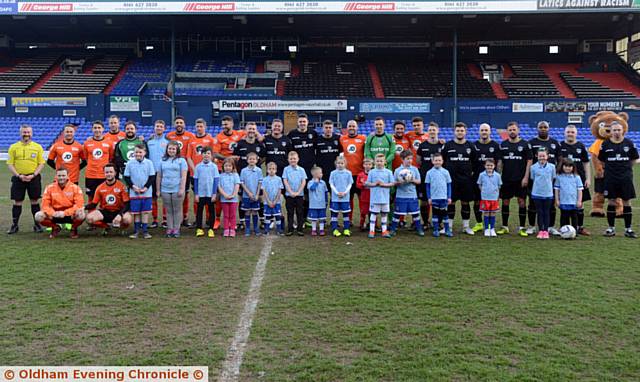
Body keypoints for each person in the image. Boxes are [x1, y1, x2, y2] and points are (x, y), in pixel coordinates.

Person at [598, 121, 639, 238]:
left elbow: (635, 159)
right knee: (611, 201)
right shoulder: (605, 144)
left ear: (623, 131)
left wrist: (625, 167)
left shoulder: (629, 143)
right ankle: (611, 228)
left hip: (625, 177)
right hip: (611, 178)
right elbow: (602, 160)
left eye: (618, 130)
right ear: (610, 132)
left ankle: (628, 229)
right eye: (614, 130)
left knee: (627, 201)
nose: (616, 132)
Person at [7, 124, 45, 234]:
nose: (26, 134)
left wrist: (33, 175)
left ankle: (37, 225)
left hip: (33, 178)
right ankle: (15, 225)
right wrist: (19, 175)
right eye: (24, 132)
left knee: (34, 200)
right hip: (18, 178)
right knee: (17, 201)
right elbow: (10, 164)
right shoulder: (13, 147)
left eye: (28, 132)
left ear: (31, 133)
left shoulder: (37, 147)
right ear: (20, 133)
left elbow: (41, 163)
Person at [497, 122, 532, 236]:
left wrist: (526, 177)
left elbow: (529, 161)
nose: (512, 131)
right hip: (506, 179)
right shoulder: (503, 144)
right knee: (505, 201)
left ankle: (522, 227)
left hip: (520, 179)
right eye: (510, 130)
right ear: (507, 131)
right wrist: (498, 177)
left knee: (521, 202)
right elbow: (500, 163)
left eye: (514, 129)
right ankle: (504, 226)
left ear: (518, 130)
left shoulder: (525, 144)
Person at [443, 122, 477, 235]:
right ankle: (449, 226)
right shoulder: (448, 146)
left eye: (462, 130)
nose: (460, 132)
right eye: (458, 130)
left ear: (465, 132)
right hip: (451, 180)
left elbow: (475, 162)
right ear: (454, 132)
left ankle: (466, 227)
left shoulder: (471, 146)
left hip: (466, 180)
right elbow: (441, 161)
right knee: (450, 203)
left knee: (465, 203)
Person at [528, 121, 562, 236]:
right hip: (537, 181)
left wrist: (555, 173)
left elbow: (560, 159)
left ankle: (550, 227)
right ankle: (532, 226)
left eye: (545, 127)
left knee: (550, 207)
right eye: (541, 127)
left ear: (549, 128)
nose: (543, 129)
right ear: (537, 129)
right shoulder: (532, 142)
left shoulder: (554, 143)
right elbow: (528, 160)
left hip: (549, 181)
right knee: (533, 205)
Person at [559, 124, 591, 235]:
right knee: (565, 203)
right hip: (564, 181)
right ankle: (565, 227)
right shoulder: (560, 146)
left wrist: (588, 178)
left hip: (579, 179)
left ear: (576, 134)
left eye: (572, 132)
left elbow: (586, 163)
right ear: (565, 133)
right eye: (568, 132)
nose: (570, 134)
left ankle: (580, 227)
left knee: (580, 204)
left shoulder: (581, 146)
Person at [35, 167, 85, 239]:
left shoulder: (75, 188)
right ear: (56, 176)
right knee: (38, 216)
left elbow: (79, 205)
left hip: (69, 215)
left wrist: (65, 213)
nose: (61, 178)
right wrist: (53, 213)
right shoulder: (49, 188)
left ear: (68, 176)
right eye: (59, 176)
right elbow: (45, 205)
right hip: (55, 214)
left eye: (63, 175)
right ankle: (55, 227)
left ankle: (73, 228)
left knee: (81, 215)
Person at [85, 163, 132, 233]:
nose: (109, 174)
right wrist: (83, 208)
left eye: (111, 172)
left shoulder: (122, 186)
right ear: (104, 173)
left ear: (115, 173)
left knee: (127, 219)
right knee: (89, 219)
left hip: (119, 210)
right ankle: (106, 226)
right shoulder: (100, 187)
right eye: (107, 172)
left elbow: (127, 204)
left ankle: (122, 228)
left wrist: (120, 215)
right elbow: (93, 204)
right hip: (105, 211)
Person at [166, 116, 196, 227]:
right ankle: (169, 218)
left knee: (185, 193)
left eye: (181, 122)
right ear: (174, 124)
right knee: (170, 193)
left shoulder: (190, 136)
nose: (179, 124)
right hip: (172, 169)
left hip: (185, 169)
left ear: (184, 124)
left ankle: (185, 217)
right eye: (177, 122)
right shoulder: (169, 136)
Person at [472, 123, 501, 233]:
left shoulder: (495, 145)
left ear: (490, 132)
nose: (484, 132)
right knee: (477, 201)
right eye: (482, 130)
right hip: (477, 179)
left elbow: (498, 162)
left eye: (486, 130)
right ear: (479, 132)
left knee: (491, 203)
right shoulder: (474, 145)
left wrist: (497, 175)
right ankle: (479, 223)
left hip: (491, 179)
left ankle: (490, 227)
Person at [287, 114, 317, 222]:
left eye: (304, 121)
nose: (302, 123)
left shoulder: (313, 133)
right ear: (297, 123)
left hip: (309, 169)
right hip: (296, 170)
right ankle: (296, 219)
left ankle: (305, 218)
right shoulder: (292, 134)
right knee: (296, 195)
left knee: (308, 194)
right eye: (300, 122)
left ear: (307, 122)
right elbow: (289, 151)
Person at [187, 118, 217, 227]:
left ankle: (210, 219)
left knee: (209, 196)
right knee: (197, 197)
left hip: (208, 174)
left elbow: (213, 155)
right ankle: (197, 219)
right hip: (195, 174)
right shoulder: (192, 140)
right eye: (197, 126)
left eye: (201, 126)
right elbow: (188, 157)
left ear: (205, 127)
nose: (199, 128)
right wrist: (195, 170)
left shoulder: (210, 139)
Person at [157, 141, 188, 238]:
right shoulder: (162, 161)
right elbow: (159, 176)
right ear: (167, 149)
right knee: (169, 210)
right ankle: (169, 228)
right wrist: (158, 190)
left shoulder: (181, 161)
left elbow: (183, 176)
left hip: (177, 188)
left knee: (177, 209)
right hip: (165, 189)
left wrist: (182, 189)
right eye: (169, 148)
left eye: (173, 149)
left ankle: (176, 229)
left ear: (177, 150)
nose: (171, 150)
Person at [124, 144, 155, 239]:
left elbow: (152, 177)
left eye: (140, 152)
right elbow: (127, 177)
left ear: (144, 153)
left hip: (146, 193)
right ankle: (136, 231)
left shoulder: (149, 163)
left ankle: (145, 231)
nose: (138, 154)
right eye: (136, 152)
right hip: (134, 193)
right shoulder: (129, 163)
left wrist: (146, 187)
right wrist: (133, 187)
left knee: (145, 212)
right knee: (136, 213)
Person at [416, 122, 444, 228]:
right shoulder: (422, 146)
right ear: (428, 132)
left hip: (438, 178)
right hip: (425, 177)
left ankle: (438, 222)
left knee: (439, 200)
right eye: (430, 130)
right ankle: (425, 222)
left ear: (437, 131)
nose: (432, 132)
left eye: (434, 130)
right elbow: (418, 161)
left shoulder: (442, 145)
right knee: (424, 201)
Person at [390, 150, 424, 236]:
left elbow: (419, 181)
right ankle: (393, 229)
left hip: (412, 196)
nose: (410, 160)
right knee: (397, 214)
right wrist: (399, 182)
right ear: (402, 159)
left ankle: (419, 229)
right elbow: (394, 183)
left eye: (411, 159)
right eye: (407, 159)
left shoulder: (415, 169)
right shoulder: (398, 170)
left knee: (415, 213)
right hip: (401, 196)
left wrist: (412, 180)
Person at [339, 120, 366, 222]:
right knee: (348, 200)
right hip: (347, 175)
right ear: (347, 128)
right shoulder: (342, 139)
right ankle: (348, 220)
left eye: (353, 126)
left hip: (359, 175)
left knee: (362, 200)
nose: (351, 128)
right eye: (349, 126)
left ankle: (362, 221)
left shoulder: (363, 139)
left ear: (357, 127)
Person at [365, 154, 394, 238]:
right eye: (377, 161)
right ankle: (371, 231)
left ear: (385, 162)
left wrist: (383, 184)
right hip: (374, 198)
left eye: (381, 161)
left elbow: (392, 183)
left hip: (385, 198)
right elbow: (367, 183)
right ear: (374, 162)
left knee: (384, 214)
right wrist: (374, 184)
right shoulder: (371, 172)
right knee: (373, 214)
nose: (379, 163)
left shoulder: (388, 172)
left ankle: (384, 231)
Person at [146, 120, 169, 228]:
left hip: (164, 173)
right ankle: (155, 219)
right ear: (154, 128)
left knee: (164, 197)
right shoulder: (149, 141)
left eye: (161, 126)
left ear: (164, 128)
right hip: (152, 173)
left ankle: (165, 219)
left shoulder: (168, 142)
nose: (159, 128)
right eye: (157, 126)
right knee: (153, 197)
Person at [530, 148, 556, 239]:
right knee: (540, 212)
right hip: (537, 193)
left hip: (548, 193)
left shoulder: (552, 167)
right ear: (537, 156)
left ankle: (546, 230)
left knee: (546, 212)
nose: (542, 158)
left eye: (544, 156)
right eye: (540, 156)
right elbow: (533, 178)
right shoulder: (533, 167)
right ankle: (541, 230)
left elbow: (553, 178)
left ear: (547, 156)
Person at [84, 121, 114, 199]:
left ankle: (102, 212)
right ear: (92, 129)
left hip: (104, 175)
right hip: (90, 175)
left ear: (103, 129)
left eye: (99, 128)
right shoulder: (87, 143)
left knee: (105, 198)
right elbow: (86, 157)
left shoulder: (109, 143)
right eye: (95, 128)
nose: (97, 130)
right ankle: (91, 212)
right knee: (91, 197)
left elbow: (110, 157)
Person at [193, 147, 219, 238]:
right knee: (199, 211)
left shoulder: (214, 167)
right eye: (204, 153)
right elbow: (195, 180)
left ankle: (211, 229)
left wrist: (214, 193)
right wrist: (196, 194)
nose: (206, 155)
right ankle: (199, 228)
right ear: (201, 155)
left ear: (211, 155)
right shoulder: (198, 166)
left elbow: (216, 180)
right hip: (200, 193)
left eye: (208, 153)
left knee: (211, 211)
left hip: (210, 193)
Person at [426, 153, 453, 238]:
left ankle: (447, 230)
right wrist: (429, 197)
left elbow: (449, 185)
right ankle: (436, 230)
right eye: (436, 160)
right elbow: (427, 186)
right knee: (435, 214)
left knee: (445, 214)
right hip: (434, 198)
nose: (437, 162)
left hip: (443, 198)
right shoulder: (429, 172)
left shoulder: (446, 172)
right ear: (432, 161)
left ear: (442, 161)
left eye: (439, 160)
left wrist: (449, 197)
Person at [554, 159, 583, 233]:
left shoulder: (576, 177)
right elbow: (557, 189)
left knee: (574, 218)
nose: (568, 168)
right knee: (564, 217)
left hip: (573, 202)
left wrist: (579, 201)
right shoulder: (559, 177)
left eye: (570, 166)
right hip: (563, 201)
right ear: (562, 166)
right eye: (566, 166)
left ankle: (574, 232)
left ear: (573, 167)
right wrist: (557, 200)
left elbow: (579, 190)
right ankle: (564, 232)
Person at [283, 151, 307, 236]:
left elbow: (303, 182)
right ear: (288, 160)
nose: (293, 160)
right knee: (290, 212)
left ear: (298, 159)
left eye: (294, 159)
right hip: (289, 195)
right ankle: (290, 229)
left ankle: (300, 229)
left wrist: (298, 192)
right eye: (291, 159)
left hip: (299, 195)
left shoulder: (301, 170)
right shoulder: (286, 169)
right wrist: (290, 192)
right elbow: (285, 181)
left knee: (300, 212)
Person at [477, 158, 502, 237]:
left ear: (494, 166)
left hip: (494, 198)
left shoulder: (497, 175)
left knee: (493, 213)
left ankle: (492, 228)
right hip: (485, 198)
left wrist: (496, 194)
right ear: (485, 166)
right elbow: (479, 184)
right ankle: (487, 229)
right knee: (486, 213)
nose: (489, 167)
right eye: (488, 165)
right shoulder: (482, 175)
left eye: (491, 165)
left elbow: (499, 186)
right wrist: (484, 192)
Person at [240, 152, 263, 236]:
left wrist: (257, 194)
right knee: (247, 212)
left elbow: (260, 183)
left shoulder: (259, 170)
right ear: (247, 160)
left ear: (256, 160)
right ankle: (248, 228)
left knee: (254, 211)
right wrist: (249, 193)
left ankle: (256, 228)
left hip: (255, 195)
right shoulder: (243, 171)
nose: (252, 160)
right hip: (246, 196)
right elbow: (242, 183)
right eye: (250, 159)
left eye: (253, 159)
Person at [329, 156, 353, 237]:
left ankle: (346, 229)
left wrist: (345, 193)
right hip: (335, 198)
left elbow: (350, 184)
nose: (340, 165)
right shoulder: (333, 173)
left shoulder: (348, 173)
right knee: (334, 214)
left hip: (345, 198)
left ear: (345, 164)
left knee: (346, 214)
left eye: (342, 163)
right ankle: (335, 229)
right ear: (336, 164)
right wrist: (337, 193)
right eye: (338, 163)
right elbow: (331, 184)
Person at [218, 158, 241, 237]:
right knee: (226, 215)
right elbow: (219, 187)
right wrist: (225, 195)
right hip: (224, 199)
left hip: (233, 199)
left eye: (230, 166)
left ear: (233, 167)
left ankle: (232, 229)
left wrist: (233, 195)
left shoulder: (235, 175)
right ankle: (226, 229)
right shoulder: (221, 176)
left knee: (233, 215)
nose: (228, 167)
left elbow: (237, 185)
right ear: (223, 167)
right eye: (226, 166)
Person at [316, 119, 342, 184]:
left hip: (335, 170)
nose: (328, 129)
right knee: (323, 191)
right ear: (323, 129)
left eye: (330, 127)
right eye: (326, 127)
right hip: (322, 171)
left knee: (334, 190)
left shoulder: (338, 138)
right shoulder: (317, 140)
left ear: (333, 129)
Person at [261, 162, 285, 235]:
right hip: (267, 202)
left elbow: (279, 190)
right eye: (270, 169)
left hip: (276, 202)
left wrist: (275, 201)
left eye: (273, 169)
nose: (271, 170)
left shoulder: (278, 179)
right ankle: (266, 230)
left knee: (277, 216)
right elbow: (264, 191)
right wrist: (268, 201)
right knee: (267, 216)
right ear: (267, 170)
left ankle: (279, 229)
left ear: (276, 170)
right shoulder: (265, 179)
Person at [307, 166, 329, 236]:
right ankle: (314, 230)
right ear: (315, 174)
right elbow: (312, 188)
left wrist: (326, 201)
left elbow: (326, 192)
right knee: (314, 218)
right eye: (320, 173)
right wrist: (316, 183)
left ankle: (321, 230)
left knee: (322, 218)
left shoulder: (323, 183)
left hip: (322, 204)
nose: (322, 174)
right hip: (313, 205)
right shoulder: (310, 182)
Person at [355, 158, 373, 231]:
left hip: (372, 197)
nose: (367, 166)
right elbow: (357, 184)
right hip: (364, 196)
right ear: (363, 165)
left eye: (369, 164)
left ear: (372, 165)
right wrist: (363, 185)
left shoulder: (374, 174)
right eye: (366, 164)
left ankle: (373, 225)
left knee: (372, 212)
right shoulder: (360, 174)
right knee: (363, 211)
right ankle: (361, 224)